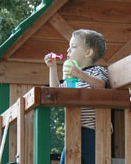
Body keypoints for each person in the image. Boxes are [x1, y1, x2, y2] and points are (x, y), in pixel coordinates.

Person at [44, 29, 109, 164]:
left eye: (73, 47)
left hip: (93, 131)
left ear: (88, 52)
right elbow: (56, 91)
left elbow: (101, 85)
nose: (68, 50)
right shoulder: (71, 78)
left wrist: (80, 74)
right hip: (72, 129)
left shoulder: (97, 71)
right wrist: (52, 68)